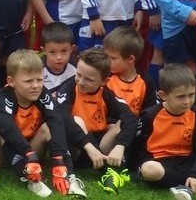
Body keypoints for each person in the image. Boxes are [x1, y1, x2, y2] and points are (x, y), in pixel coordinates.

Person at [0, 50, 85, 197]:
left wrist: (58, 158)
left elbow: (56, 121)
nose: (36, 85)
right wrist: (28, 154)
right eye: (28, 81)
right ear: (11, 82)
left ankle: (67, 175)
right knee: (3, 127)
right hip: (11, 150)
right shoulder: (5, 97)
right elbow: (7, 128)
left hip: (33, 149)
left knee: (49, 126)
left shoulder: (42, 93)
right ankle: (29, 179)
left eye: (40, 79)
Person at [134, 65, 196, 199]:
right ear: (163, 95)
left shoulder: (195, 113)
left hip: (188, 162)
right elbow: (138, 149)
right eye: (181, 97)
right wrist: (138, 169)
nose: (187, 101)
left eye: (191, 95)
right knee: (149, 169)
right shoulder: (150, 115)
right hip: (161, 164)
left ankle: (191, 184)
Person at [56, 49, 136, 189]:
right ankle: (109, 170)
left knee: (118, 124)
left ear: (104, 81)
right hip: (77, 148)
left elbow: (130, 117)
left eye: (88, 79)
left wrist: (120, 146)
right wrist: (89, 147)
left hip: (99, 148)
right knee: (76, 121)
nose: (81, 81)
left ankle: (117, 161)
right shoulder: (69, 88)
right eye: (78, 75)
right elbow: (62, 118)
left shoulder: (105, 93)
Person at [103, 27, 158, 114]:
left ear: (130, 59)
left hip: (134, 125)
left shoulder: (146, 82)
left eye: (112, 58)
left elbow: (148, 114)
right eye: (106, 56)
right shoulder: (104, 76)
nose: (106, 61)